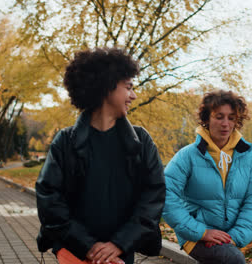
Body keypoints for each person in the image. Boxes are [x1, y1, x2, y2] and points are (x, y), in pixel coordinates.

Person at [35, 47, 165, 264]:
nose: (133, 95)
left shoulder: (141, 141)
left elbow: (153, 197)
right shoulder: (65, 142)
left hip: (121, 254)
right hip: (75, 252)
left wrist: (118, 244)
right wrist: (89, 247)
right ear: (107, 87)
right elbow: (50, 201)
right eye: (128, 87)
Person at [162, 90, 252, 264]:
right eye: (219, 117)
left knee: (228, 255)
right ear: (206, 119)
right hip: (194, 235)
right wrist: (202, 232)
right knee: (233, 260)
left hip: (230, 236)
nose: (226, 123)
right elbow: (166, 196)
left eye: (231, 118)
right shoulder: (187, 156)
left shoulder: (248, 156)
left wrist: (234, 237)